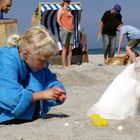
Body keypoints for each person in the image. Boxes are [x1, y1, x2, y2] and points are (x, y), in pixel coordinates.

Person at [0, 25, 66, 124]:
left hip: (25, 115)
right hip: (4, 110)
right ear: (27, 52)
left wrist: (56, 90)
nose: (44, 65)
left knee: (38, 74)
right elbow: (11, 97)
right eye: (42, 60)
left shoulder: (34, 62)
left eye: (47, 61)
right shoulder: (7, 60)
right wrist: (41, 95)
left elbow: (49, 79)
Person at [57, 0, 74, 67]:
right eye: (67, 1)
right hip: (65, 31)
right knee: (64, 49)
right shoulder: (61, 9)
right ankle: (64, 66)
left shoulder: (69, 10)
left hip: (71, 31)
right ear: (64, 2)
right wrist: (63, 28)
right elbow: (58, 20)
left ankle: (69, 65)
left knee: (70, 49)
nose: (68, 3)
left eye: (69, 1)